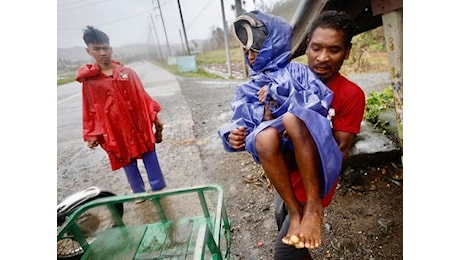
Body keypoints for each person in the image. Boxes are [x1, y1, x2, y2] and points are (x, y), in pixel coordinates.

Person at [219, 10, 365, 259]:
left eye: (334, 50)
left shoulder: (350, 94)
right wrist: (233, 134)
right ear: (306, 46)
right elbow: (247, 115)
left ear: (347, 52)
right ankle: (297, 215)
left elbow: (338, 151)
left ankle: (311, 211)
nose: (322, 58)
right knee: (285, 222)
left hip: (313, 184)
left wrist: (313, 200)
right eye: (316, 48)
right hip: (284, 178)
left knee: (284, 253)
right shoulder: (289, 75)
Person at [76, 26, 166, 201]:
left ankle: (158, 188)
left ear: (110, 48)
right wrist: (91, 133)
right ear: (89, 51)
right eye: (97, 49)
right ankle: (138, 192)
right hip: (115, 128)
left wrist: (154, 117)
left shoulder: (127, 73)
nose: (102, 53)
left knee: (148, 151)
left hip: (137, 124)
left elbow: (143, 97)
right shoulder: (90, 82)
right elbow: (90, 108)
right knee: (125, 157)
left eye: (105, 48)